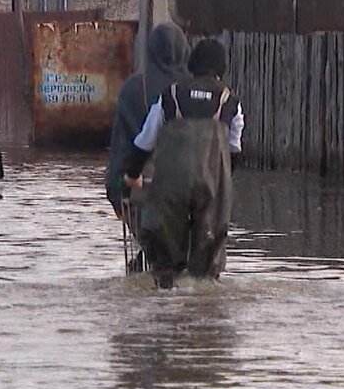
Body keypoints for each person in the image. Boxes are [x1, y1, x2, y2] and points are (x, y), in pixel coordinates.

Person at [123, 38, 244, 289]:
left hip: (170, 187)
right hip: (212, 186)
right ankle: (201, 308)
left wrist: (132, 174)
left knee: (166, 265)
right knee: (206, 270)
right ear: (221, 69)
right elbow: (233, 150)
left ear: (191, 65)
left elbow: (145, 140)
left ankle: (167, 308)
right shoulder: (229, 102)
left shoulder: (171, 94)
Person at [104, 22, 191, 218]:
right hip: (194, 189)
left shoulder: (134, 88)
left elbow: (121, 148)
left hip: (141, 187)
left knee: (118, 180)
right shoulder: (198, 90)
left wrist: (118, 189)